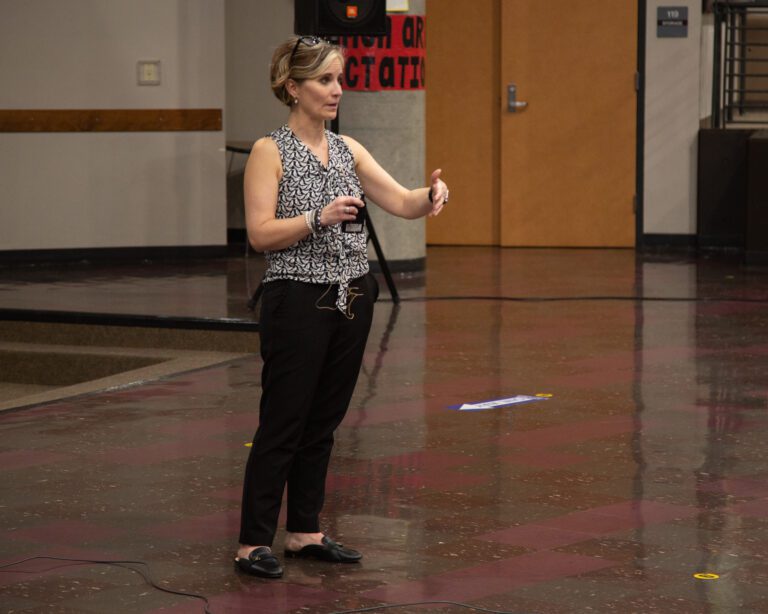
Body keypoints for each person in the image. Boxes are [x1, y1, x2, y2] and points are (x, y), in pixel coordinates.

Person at [235, 35, 449, 579]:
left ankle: (304, 530)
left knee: (325, 420)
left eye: (339, 78)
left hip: (352, 294)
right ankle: (252, 541)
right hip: (296, 297)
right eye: (325, 80)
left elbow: (400, 200)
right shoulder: (270, 151)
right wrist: (318, 218)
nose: (337, 89)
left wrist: (430, 197)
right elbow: (260, 234)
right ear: (293, 87)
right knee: (284, 419)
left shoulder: (348, 149)